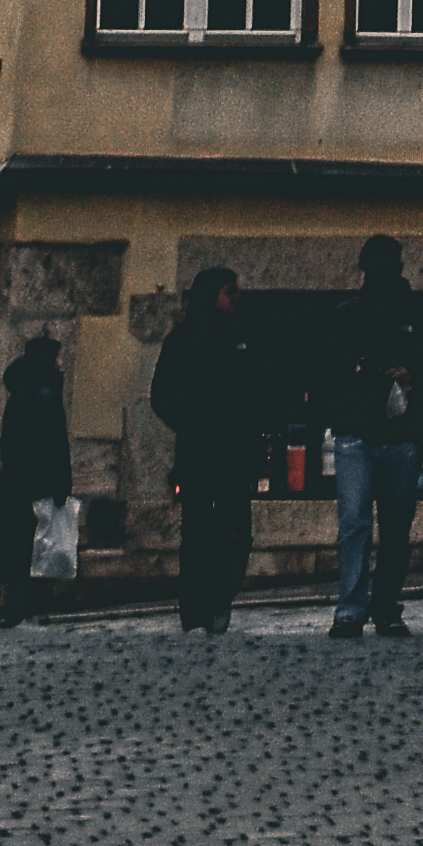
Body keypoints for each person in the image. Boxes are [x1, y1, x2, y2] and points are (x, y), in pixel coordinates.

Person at [328, 236, 423, 641]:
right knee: (367, 525)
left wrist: (412, 376)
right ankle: (364, 608)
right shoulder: (348, 316)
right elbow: (327, 369)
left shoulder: (412, 315)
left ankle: (371, 607)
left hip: (391, 433)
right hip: (363, 432)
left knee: (379, 527)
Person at [151, 264, 262, 634]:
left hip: (235, 455)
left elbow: (257, 393)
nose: (236, 298)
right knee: (197, 533)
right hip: (199, 454)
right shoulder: (183, 341)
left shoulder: (241, 336)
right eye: (229, 291)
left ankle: (219, 598)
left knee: (236, 534)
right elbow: (161, 397)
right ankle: (195, 608)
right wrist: (194, 424)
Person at [0, 329, 73, 621]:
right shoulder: (45, 397)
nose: (59, 365)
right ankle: (29, 604)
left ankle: (18, 602)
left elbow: (7, 444)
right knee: (36, 544)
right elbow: (56, 443)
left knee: (19, 542)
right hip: (39, 481)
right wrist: (61, 480)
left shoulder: (19, 396)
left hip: (17, 479)